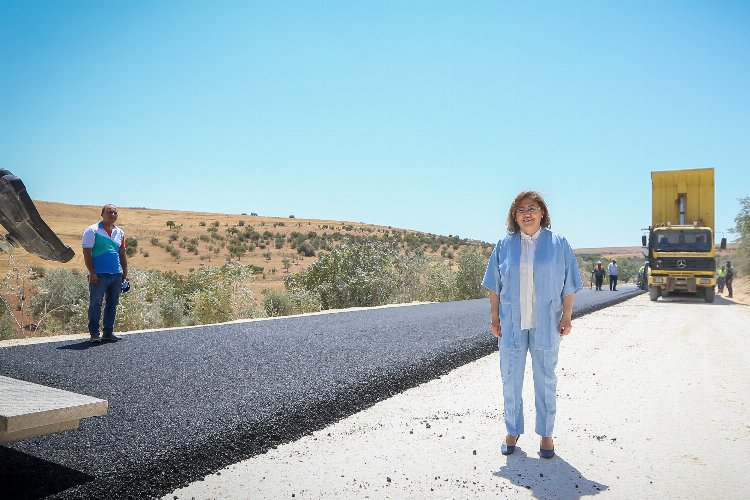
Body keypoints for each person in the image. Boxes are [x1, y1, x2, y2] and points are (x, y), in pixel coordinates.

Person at [482, 191, 583, 459]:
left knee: (546, 379)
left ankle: (546, 434)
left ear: (542, 213)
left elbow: (569, 282)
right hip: (512, 324)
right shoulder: (504, 245)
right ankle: (512, 431)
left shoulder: (558, 244)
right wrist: (495, 317)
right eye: (521, 209)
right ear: (514, 217)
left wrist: (567, 315)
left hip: (546, 323)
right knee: (510, 379)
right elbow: (494, 284)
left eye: (532, 208)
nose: (527, 213)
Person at [82, 204, 128, 343]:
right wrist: (92, 272)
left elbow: (122, 253)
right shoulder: (92, 230)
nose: (112, 215)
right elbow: (87, 253)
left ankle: (108, 332)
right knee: (95, 304)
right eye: (109, 212)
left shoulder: (120, 232)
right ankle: (94, 334)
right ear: (102, 214)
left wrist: (124, 273)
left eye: (114, 213)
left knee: (112, 304)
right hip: (99, 275)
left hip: (116, 274)